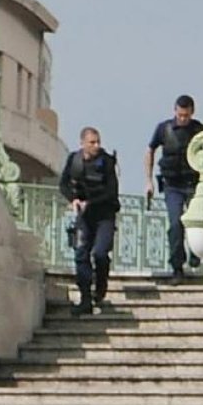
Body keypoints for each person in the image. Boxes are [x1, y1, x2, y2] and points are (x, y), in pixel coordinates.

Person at [144, 95, 203, 285]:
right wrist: (148, 181)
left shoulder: (199, 130)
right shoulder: (163, 129)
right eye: (180, 115)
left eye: (186, 116)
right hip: (172, 184)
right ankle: (177, 267)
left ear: (192, 113)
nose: (182, 119)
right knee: (175, 224)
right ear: (175, 111)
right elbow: (150, 150)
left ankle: (196, 252)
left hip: (193, 184)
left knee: (197, 222)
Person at [59, 127, 120, 316]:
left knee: (100, 253)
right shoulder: (74, 160)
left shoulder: (107, 161)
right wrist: (73, 199)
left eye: (98, 141)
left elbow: (111, 192)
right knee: (81, 254)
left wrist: (90, 203)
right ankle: (85, 298)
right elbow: (63, 184)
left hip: (104, 214)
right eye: (92, 142)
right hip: (85, 216)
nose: (96, 146)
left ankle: (100, 288)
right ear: (83, 143)